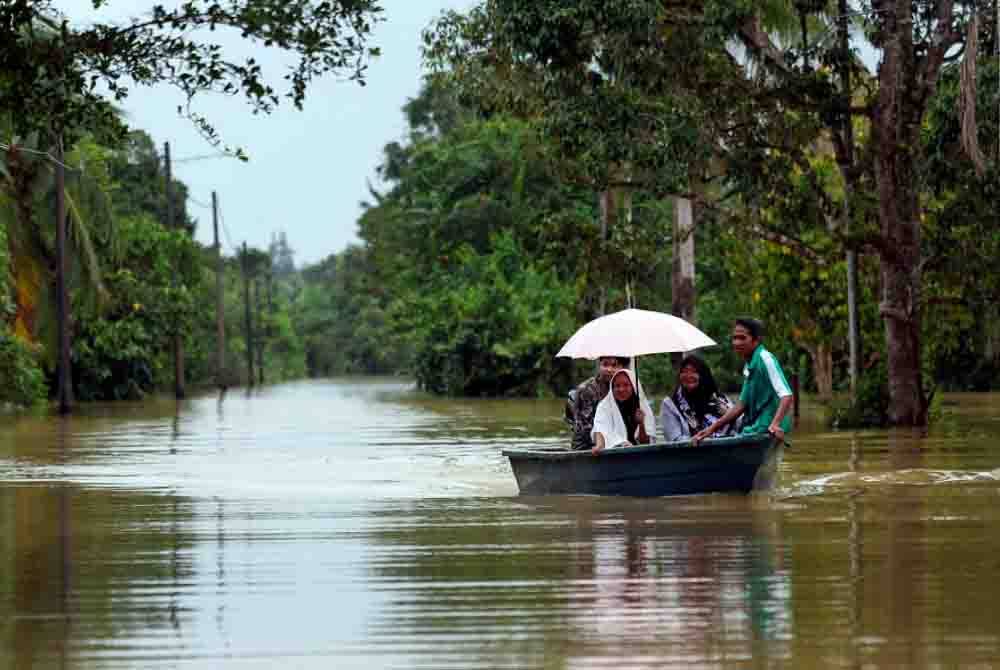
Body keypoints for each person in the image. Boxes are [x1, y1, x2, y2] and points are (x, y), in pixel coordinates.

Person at [692, 318, 794, 444]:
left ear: (756, 340)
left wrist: (775, 424)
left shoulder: (765, 359)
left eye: (742, 338)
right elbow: (741, 405)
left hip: (768, 425)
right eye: (734, 338)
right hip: (757, 424)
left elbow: (786, 395)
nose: (737, 343)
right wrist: (711, 429)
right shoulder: (748, 365)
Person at [660, 354, 737, 442]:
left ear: (703, 375)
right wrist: (701, 440)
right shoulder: (670, 404)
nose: (688, 376)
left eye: (694, 371)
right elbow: (674, 439)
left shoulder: (719, 399)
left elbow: (738, 424)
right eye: (684, 371)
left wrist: (728, 414)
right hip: (692, 449)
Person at [567, 356, 629, 450]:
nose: (609, 369)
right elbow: (586, 429)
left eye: (614, 365)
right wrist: (614, 442)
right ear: (599, 365)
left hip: (618, 442)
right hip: (587, 447)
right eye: (605, 365)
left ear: (622, 367)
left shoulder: (623, 388)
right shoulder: (587, 390)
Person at [591, 368, 655, 454]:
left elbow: (646, 443)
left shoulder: (641, 405)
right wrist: (600, 445)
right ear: (612, 388)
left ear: (633, 386)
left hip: (640, 455)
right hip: (615, 455)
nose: (621, 389)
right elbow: (600, 428)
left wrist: (641, 424)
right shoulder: (604, 406)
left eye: (626, 385)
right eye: (617, 386)